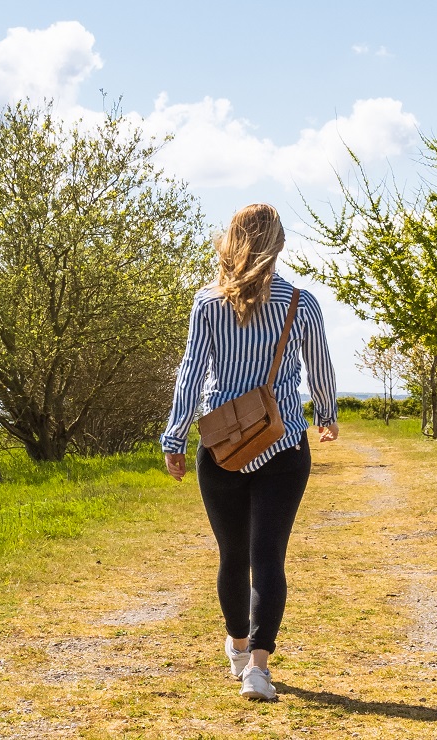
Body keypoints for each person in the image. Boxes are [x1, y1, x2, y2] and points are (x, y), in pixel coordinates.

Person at [161, 203, 338, 702]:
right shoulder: (302, 302)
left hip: (220, 446)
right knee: (268, 556)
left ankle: (240, 650)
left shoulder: (207, 303)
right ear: (279, 246)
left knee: (233, 556)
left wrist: (175, 437)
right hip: (282, 443)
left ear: (231, 241)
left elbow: (190, 374)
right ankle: (258, 668)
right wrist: (325, 414)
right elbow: (318, 366)